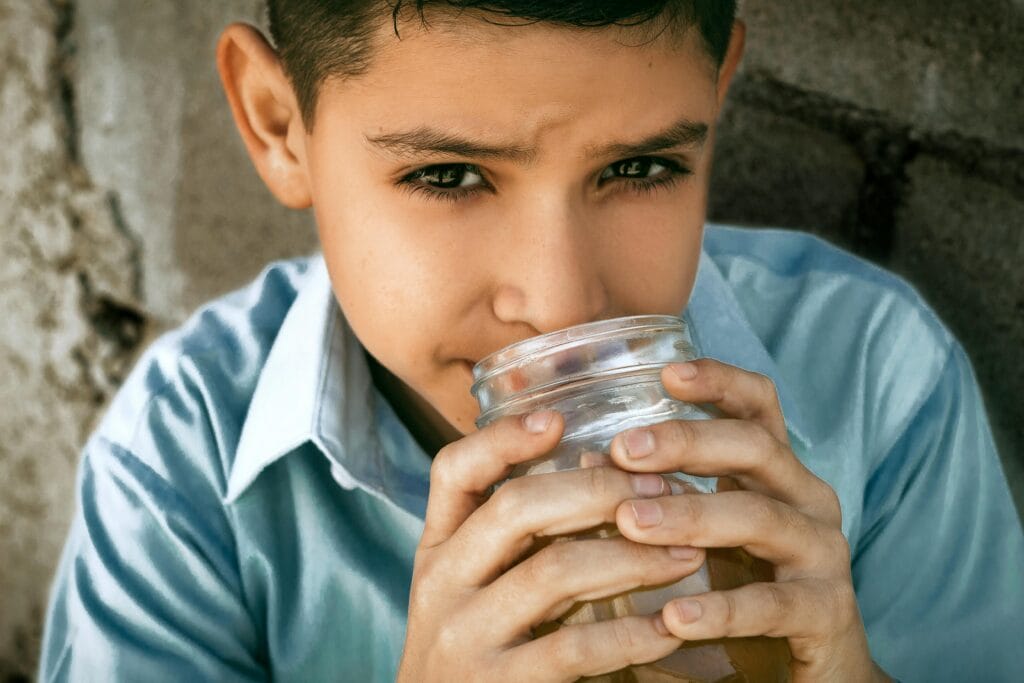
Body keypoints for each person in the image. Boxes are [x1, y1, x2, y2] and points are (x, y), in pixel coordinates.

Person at [38, 1, 1023, 681]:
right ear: (279, 121)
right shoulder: (184, 453)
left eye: (640, 166)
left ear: (716, 98)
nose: (561, 304)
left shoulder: (874, 377)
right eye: (449, 176)